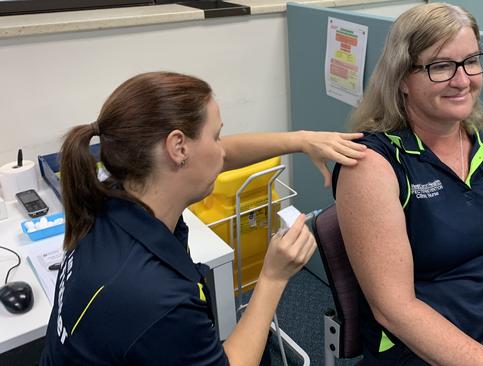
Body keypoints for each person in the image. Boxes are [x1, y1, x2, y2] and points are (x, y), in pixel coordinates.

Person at [39, 71, 366, 365]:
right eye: (216, 136)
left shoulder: (112, 197)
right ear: (178, 147)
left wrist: (300, 140)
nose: (222, 150)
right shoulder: (156, 300)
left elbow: (220, 156)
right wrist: (272, 278)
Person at [333, 3, 483, 365]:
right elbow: (394, 309)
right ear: (402, 78)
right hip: (421, 352)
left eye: (471, 61)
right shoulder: (373, 165)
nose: (463, 80)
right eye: (441, 66)